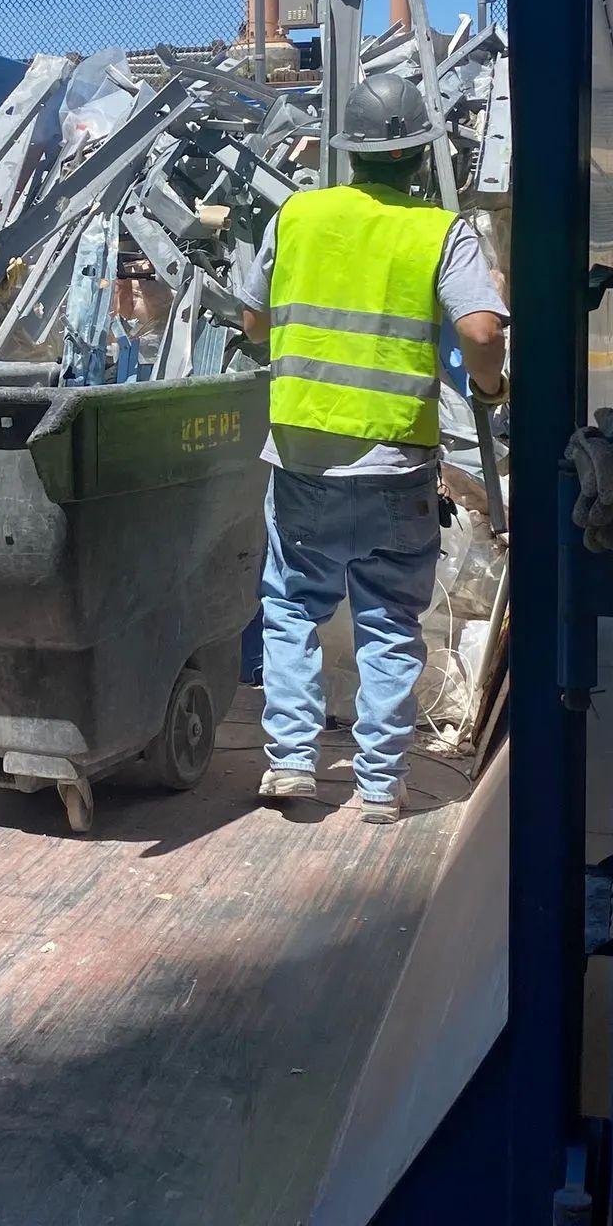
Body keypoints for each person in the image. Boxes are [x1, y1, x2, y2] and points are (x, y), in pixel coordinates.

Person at [238, 70, 508, 822]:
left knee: (292, 608)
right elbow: (482, 332)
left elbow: (253, 322)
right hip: (394, 463)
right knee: (388, 619)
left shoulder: (297, 216)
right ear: (420, 154)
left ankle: (292, 763)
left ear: (348, 153)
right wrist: (490, 390)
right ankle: (381, 785)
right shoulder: (437, 231)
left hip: (299, 460)